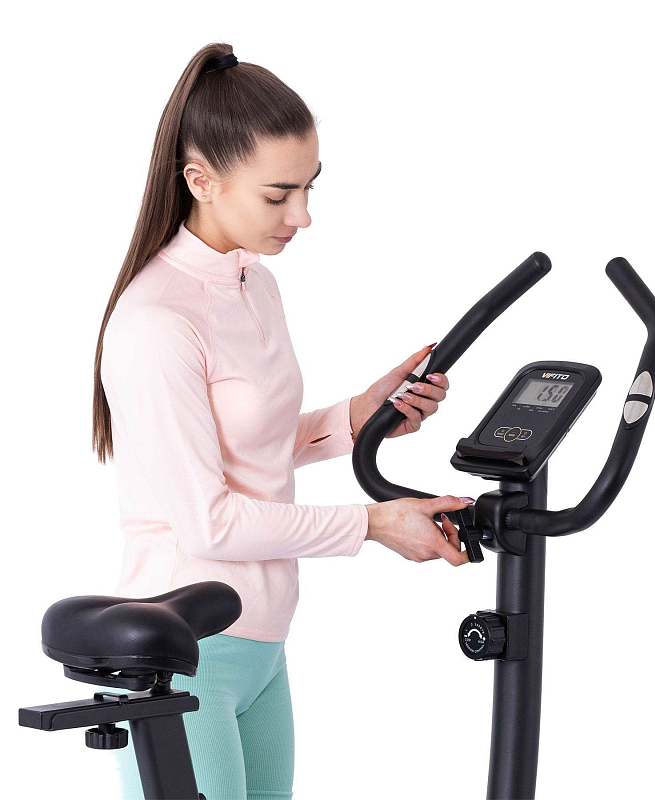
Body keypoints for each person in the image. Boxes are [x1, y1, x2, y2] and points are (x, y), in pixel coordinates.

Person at [90, 43, 473, 800]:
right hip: (181, 647)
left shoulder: (254, 285)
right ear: (200, 181)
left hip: (260, 644)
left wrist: (358, 417)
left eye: (308, 186)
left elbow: (246, 446)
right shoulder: (154, 322)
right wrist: (373, 524)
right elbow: (209, 522)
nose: (303, 216)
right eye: (278, 195)